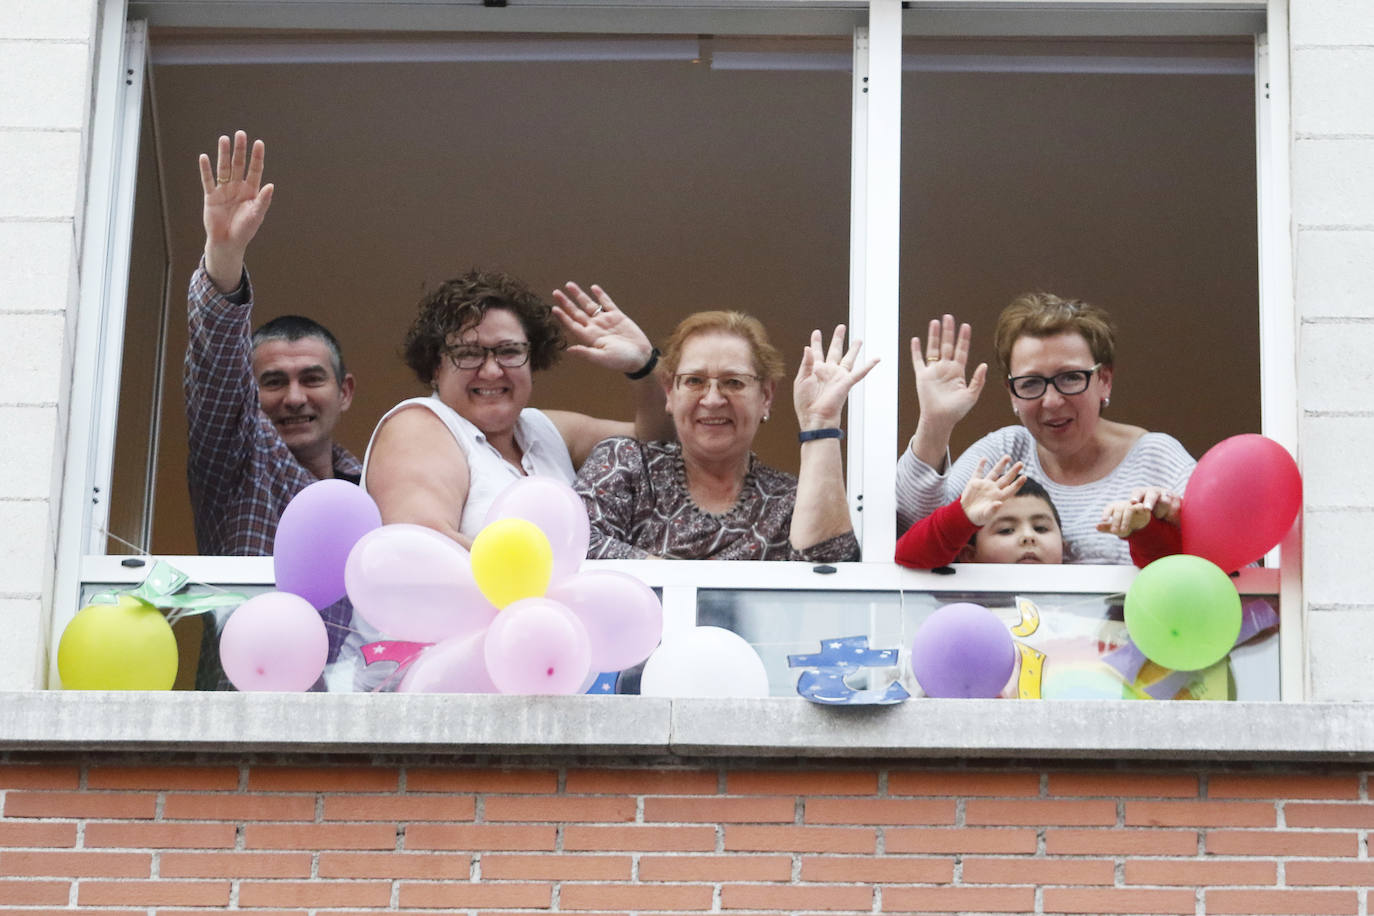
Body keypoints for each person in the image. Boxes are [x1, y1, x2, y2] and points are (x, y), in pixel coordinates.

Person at [361, 271, 671, 546]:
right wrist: (549, 578)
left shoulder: (543, 429)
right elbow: (422, 545)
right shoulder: (419, 425)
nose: (492, 371)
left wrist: (644, 364)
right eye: (468, 353)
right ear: (434, 367)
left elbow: (658, 441)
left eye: (509, 351)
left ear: (533, 360)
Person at [895, 293, 1195, 564]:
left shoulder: (1156, 457)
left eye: (1070, 378)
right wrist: (935, 423)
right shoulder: (1006, 452)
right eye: (1031, 383)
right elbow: (909, 529)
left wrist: (1175, 521)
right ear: (1012, 392)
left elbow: (1233, 564)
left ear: (1104, 380)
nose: (1051, 401)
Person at [575, 311, 876, 560]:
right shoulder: (627, 465)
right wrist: (685, 587)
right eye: (694, 381)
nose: (713, 399)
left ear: (766, 396)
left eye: (733, 382)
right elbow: (573, 544)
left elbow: (832, 570)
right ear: (670, 392)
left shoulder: (788, 501)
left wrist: (819, 424)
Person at [185, 130, 358, 557]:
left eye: (312, 378)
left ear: (345, 392)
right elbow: (217, 365)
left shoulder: (379, 486)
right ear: (249, 392)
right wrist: (224, 254)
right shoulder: (236, 458)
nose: (294, 398)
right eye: (274, 381)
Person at [895, 459, 1180, 569]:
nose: (1028, 537)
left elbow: (1167, 572)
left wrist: (1142, 529)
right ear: (970, 555)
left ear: (1064, 549)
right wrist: (961, 517)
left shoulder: (1078, 603)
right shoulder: (962, 600)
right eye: (1006, 530)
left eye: (1041, 528)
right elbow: (908, 557)